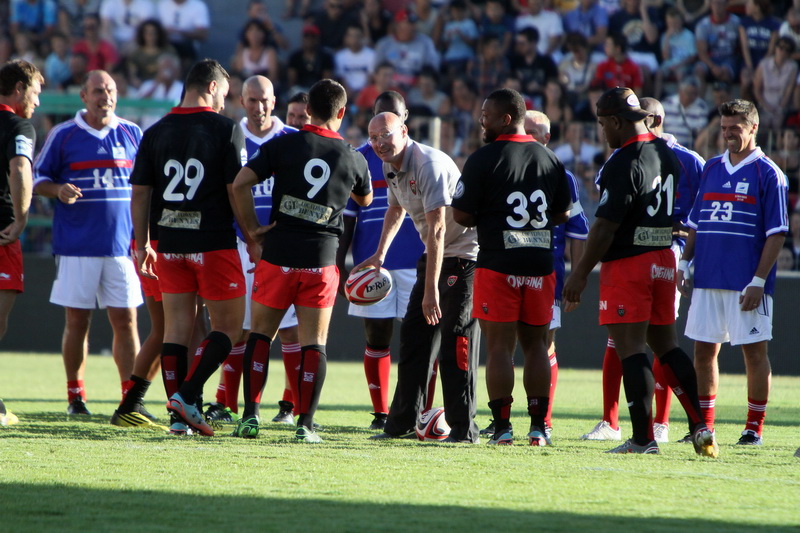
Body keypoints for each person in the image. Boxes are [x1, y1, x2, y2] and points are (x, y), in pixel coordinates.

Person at [563, 87, 718, 456]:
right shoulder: (667, 154)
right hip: (663, 258)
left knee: (630, 349)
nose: (602, 132)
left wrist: (581, 272)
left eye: (603, 124)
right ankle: (700, 425)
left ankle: (644, 438)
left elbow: (604, 226)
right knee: (667, 345)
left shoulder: (622, 161)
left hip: (629, 264)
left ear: (616, 121)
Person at [231, 78, 372, 443]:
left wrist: (252, 230)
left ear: (307, 110)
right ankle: (305, 425)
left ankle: (250, 417)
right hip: (321, 259)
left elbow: (240, 183)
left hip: (278, 254)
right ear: (341, 113)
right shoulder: (353, 156)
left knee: (261, 334)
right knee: (315, 343)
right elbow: (366, 200)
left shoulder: (284, 145)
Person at [130, 58, 248, 436]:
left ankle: (178, 420)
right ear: (212, 87)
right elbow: (234, 190)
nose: (224, 104)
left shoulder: (156, 131)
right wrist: (253, 233)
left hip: (170, 243)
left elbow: (140, 194)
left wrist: (143, 243)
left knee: (175, 329)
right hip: (213, 243)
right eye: (224, 95)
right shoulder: (226, 129)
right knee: (230, 327)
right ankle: (188, 395)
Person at [452, 90, 572, 446]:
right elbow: (564, 212)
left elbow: (461, 213)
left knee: (499, 348)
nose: (481, 121)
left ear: (506, 118)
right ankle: (538, 428)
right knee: (536, 345)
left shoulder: (483, 159)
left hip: (497, 263)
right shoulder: (549, 159)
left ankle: (502, 428)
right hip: (539, 262)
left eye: (486, 115)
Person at [361, 110, 480, 444]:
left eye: (385, 134)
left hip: (463, 256)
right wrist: (379, 254)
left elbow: (439, 229)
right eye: (373, 138)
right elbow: (395, 208)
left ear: (404, 129)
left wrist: (431, 291)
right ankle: (400, 423)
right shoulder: (390, 165)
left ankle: (463, 430)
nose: (379, 143)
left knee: (456, 340)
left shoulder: (427, 164)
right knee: (413, 336)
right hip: (435, 255)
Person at [678, 99, 788, 446]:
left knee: (753, 352)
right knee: (702, 351)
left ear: (753, 127)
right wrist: (684, 263)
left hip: (746, 283)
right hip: (708, 277)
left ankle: (753, 428)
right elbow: (696, 222)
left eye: (735, 128)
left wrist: (758, 280)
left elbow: (777, 233)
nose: (727, 134)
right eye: (724, 128)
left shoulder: (768, 173)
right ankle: (704, 426)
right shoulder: (711, 168)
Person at [33, 69, 143, 416]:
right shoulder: (64, 134)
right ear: (83, 96)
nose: (105, 96)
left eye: (110, 89)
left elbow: (145, 187)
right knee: (77, 323)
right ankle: (75, 396)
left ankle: (130, 398)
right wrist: (57, 189)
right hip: (77, 245)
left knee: (126, 322)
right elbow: (37, 178)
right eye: (97, 91)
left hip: (122, 247)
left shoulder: (131, 133)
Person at [202, 75, 302, 426]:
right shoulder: (228, 135)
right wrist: (247, 238)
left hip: (282, 248)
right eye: (252, 100)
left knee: (289, 330)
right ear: (241, 101)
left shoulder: (291, 139)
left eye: (265, 101)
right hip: (238, 246)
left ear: (275, 102)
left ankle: (291, 406)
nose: (259, 107)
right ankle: (225, 403)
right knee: (237, 328)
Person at [336, 91, 427, 430]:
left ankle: (420, 408)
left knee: (420, 338)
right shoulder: (358, 158)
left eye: (394, 116)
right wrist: (338, 262)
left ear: (405, 121)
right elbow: (347, 217)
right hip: (371, 262)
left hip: (417, 260)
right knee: (376, 334)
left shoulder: (423, 158)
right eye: (379, 117)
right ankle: (381, 412)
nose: (385, 126)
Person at [0, 59, 43, 427]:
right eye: (35, 93)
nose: (38, 102)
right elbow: (20, 168)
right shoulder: (18, 125)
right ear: (18, 90)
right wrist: (22, 217)